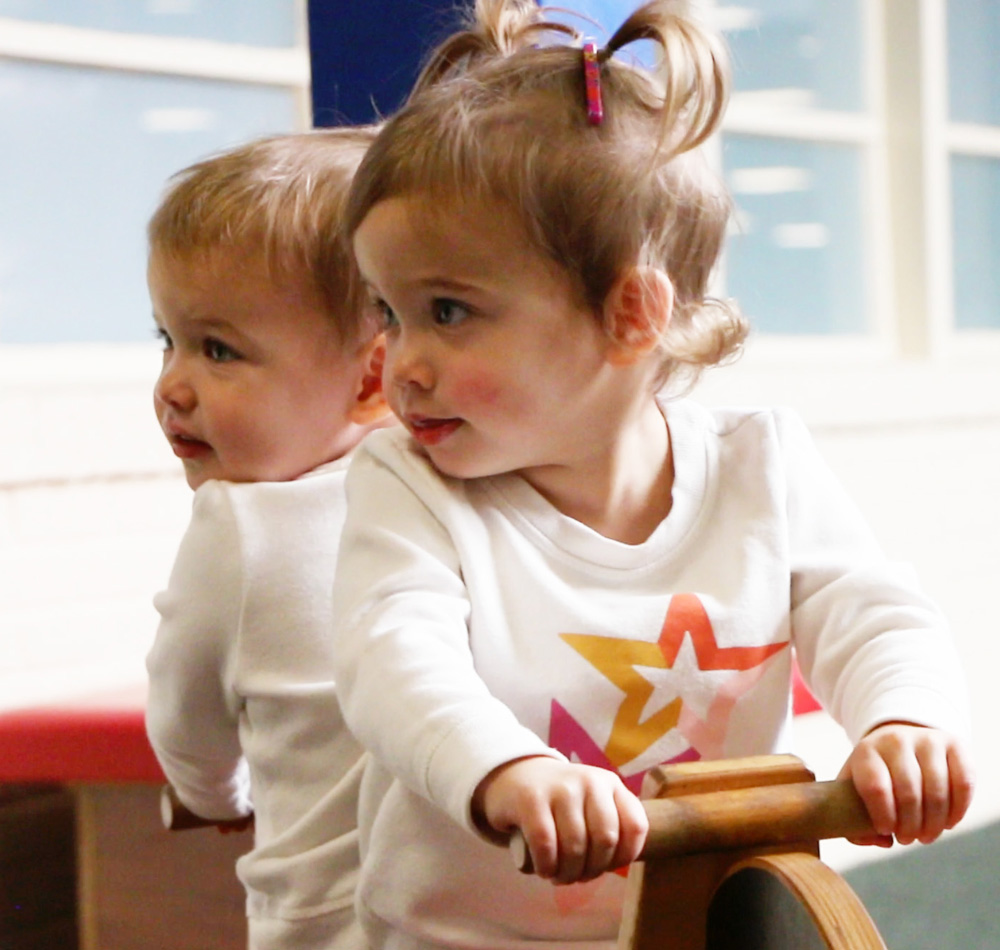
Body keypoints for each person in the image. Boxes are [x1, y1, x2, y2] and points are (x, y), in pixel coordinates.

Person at [330, 2, 975, 948]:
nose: (401, 363)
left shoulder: (761, 466)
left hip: (698, 920)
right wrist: (509, 771)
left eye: (450, 313)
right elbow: (393, 658)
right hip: (464, 938)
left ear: (630, 314)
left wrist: (904, 722)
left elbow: (869, 607)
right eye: (389, 311)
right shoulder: (410, 483)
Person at [144, 128, 392, 950]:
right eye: (167, 339)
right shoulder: (453, 493)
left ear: (370, 379)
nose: (173, 385)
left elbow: (185, 722)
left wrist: (217, 795)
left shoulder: (241, 528)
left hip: (326, 929)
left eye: (219, 350)